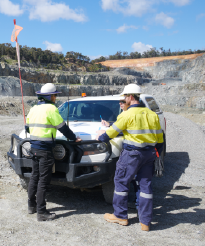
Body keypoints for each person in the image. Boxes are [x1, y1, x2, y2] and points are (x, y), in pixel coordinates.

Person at [96, 84, 164, 231]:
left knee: (121, 182)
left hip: (132, 154)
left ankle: (120, 216)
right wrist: (156, 156)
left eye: (125, 97)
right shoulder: (152, 114)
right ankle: (145, 221)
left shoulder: (126, 115)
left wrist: (100, 138)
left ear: (131, 97)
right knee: (145, 186)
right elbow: (160, 140)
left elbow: (111, 133)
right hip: (149, 154)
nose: (124, 99)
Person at [25, 83, 82, 221]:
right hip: (45, 149)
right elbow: (62, 127)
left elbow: (27, 129)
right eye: (55, 95)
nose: (56, 97)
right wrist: (74, 138)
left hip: (33, 148)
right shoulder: (51, 108)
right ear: (50, 96)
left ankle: (31, 206)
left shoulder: (33, 109)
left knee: (34, 177)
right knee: (43, 180)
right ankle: (41, 212)